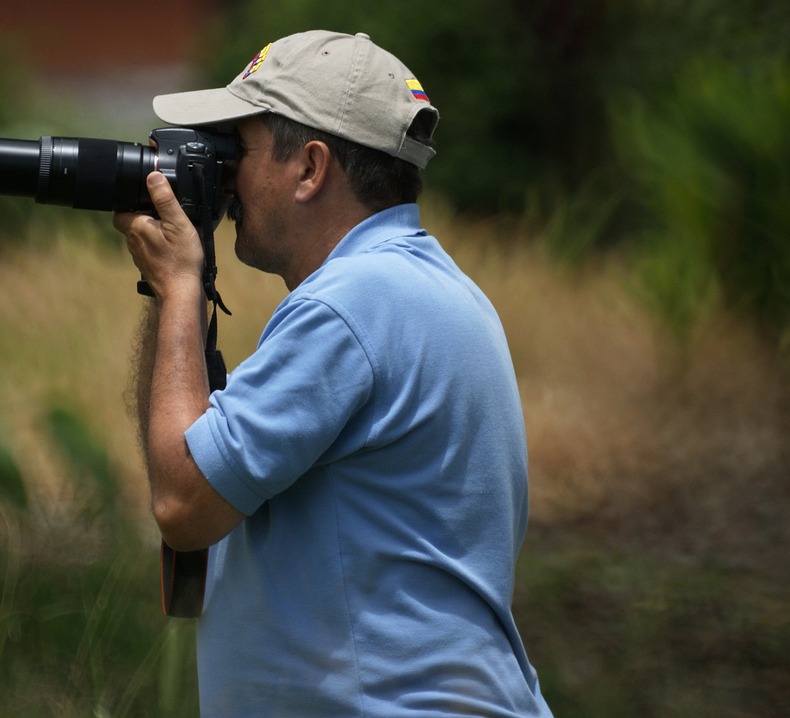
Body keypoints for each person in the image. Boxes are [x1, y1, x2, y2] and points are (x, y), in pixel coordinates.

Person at [115, 29, 554, 717]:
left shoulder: (352, 306)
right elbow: (197, 457)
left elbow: (184, 502)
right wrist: (173, 290)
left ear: (311, 168)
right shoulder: (436, 290)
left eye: (238, 148)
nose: (223, 175)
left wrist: (179, 290)